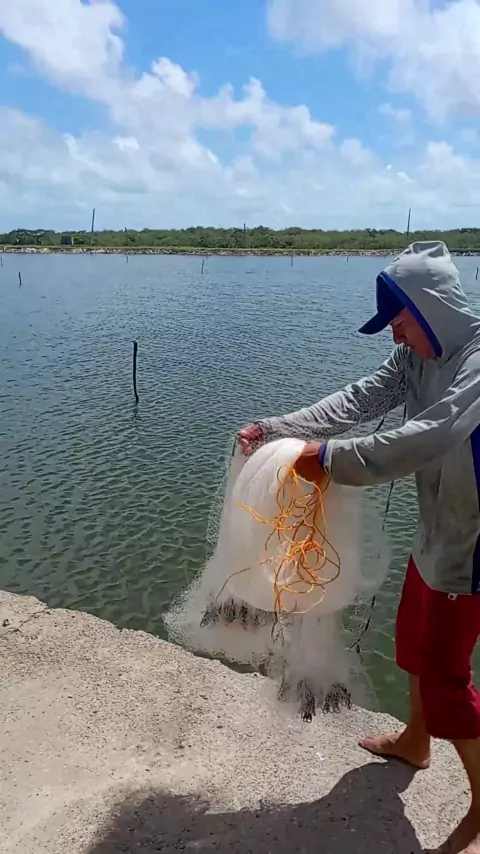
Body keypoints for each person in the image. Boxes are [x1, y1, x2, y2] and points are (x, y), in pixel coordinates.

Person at [238, 241, 480, 854]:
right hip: (438, 529)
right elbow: (360, 400)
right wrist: (277, 429)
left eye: (400, 322)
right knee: (413, 645)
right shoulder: (415, 357)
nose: (395, 336)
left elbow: (431, 434)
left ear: (431, 312)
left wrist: (329, 460)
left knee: (447, 676)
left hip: (474, 546)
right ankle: (416, 744)